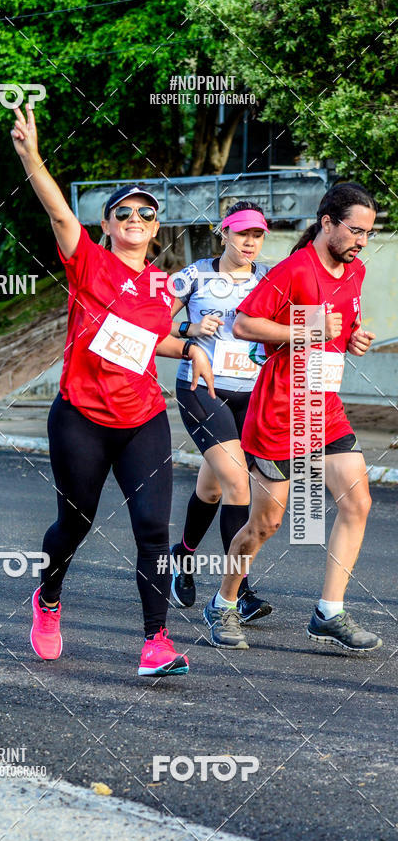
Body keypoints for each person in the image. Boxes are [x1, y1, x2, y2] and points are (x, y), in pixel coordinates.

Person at [10, 104, 215, 676]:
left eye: (146, 213)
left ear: (155, 228)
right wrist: (31, 157)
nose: (135, 218)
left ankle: (156, 643)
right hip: (80, 418)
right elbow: (55, 210)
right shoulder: (89, 264)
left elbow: (146, 340)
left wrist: (190, 345)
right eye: (123, 211)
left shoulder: (163, 285)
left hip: (142, 417)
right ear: (107, 224)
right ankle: (47, 600)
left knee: (153, 528)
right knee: (75, 522)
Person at [205, 182, 381, 652]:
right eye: (355, 230)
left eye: (368, 232)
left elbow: (340, 328)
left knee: (357, 503)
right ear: (327, 222)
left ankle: (329, 612)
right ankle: (223, 603)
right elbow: (243, 324)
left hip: (325, 407)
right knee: (266, 524)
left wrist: (352, 339)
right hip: (281, 411)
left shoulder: (355, 271)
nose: (361, 241)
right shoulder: (292, 270)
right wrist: (309, 326)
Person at [168, 202, 273, 629]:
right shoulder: (193, 275)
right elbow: (152, 322)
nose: (250, 242)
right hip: (201, 388)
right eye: (242, 233)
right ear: (223, 233)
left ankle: (183, 558)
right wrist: (188, 330)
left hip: (251, 393)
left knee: (211, 490)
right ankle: (239, 592)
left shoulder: (269, 277)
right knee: (237, 486)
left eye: (258, 235)